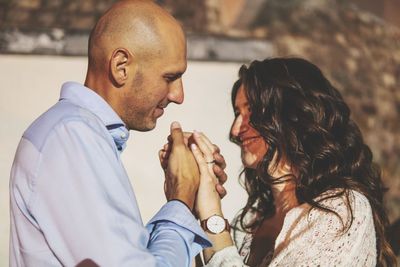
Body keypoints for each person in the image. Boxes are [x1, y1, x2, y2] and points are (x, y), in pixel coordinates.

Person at [9, 1, 227, 266]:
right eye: (170, 77)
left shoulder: (80, 134)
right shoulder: (71, 137)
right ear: (121, 66)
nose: (178, 96)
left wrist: (187, 200)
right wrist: (181, 196)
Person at [177, 58, 397, 266]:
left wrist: (212, 215)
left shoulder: (342, 212)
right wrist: (192, 198)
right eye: (237, 113)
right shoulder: (252, 219)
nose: (236, 130)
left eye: (252, 112)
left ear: (295, 115)